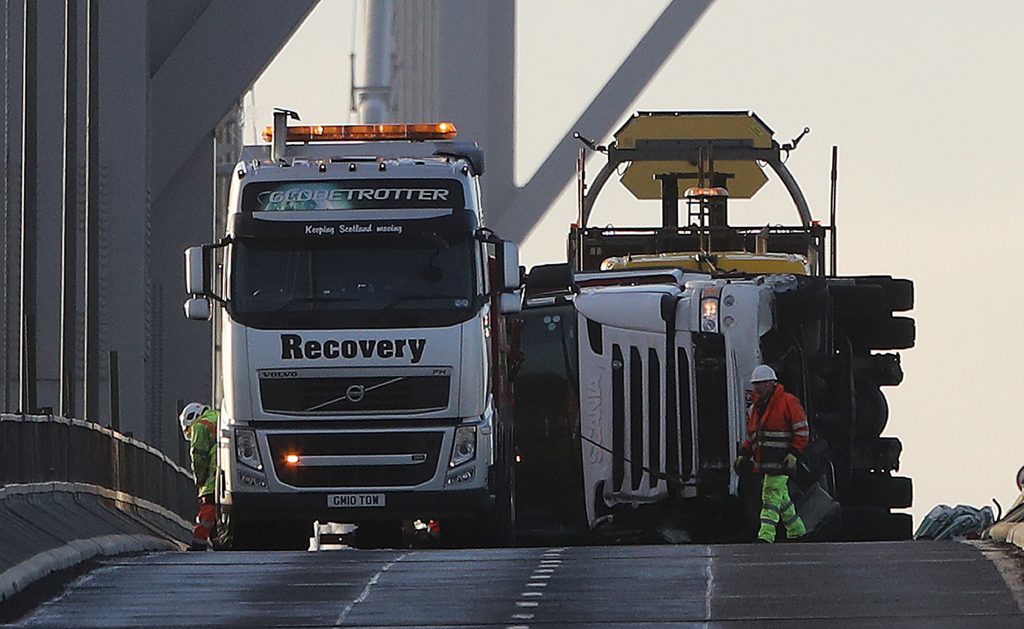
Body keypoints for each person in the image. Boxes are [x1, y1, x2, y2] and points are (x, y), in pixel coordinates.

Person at [734, 365, 810, 543]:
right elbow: (754, 437)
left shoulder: (788, 402)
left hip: (782, 461)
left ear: (771, 383)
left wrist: (793, 453)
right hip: (766, 462)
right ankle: (797, 531)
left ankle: (766, 535)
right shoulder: (754, 409)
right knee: (781, 499)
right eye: (756, 385)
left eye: (761, 384)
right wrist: (743, 454)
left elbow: (802, 431)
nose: (757, 388)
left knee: (769, 496)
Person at [179, 402, 219, 550]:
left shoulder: (200, 425)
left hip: (213, 471)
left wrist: (200, 479)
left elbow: (199, 456)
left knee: (208, 506)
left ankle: (199, 542)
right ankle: (218, 541)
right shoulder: (218, 416)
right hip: (228, 470)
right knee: (218, 509)